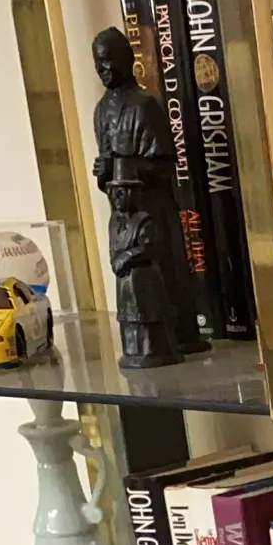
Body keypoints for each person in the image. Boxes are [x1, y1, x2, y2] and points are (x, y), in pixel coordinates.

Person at [91, 25, 197, 369]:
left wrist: (122, 166)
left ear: (127, 59)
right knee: (131, 291)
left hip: (152, 212)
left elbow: (164, 166)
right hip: (122, 213)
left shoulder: (146, 105)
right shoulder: (100, 110)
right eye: (98, 63)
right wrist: (104, 172)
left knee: (160, 279)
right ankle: (141, 343)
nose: (104, 70)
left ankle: (176, 336)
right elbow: (107, 176)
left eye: (109, 61)